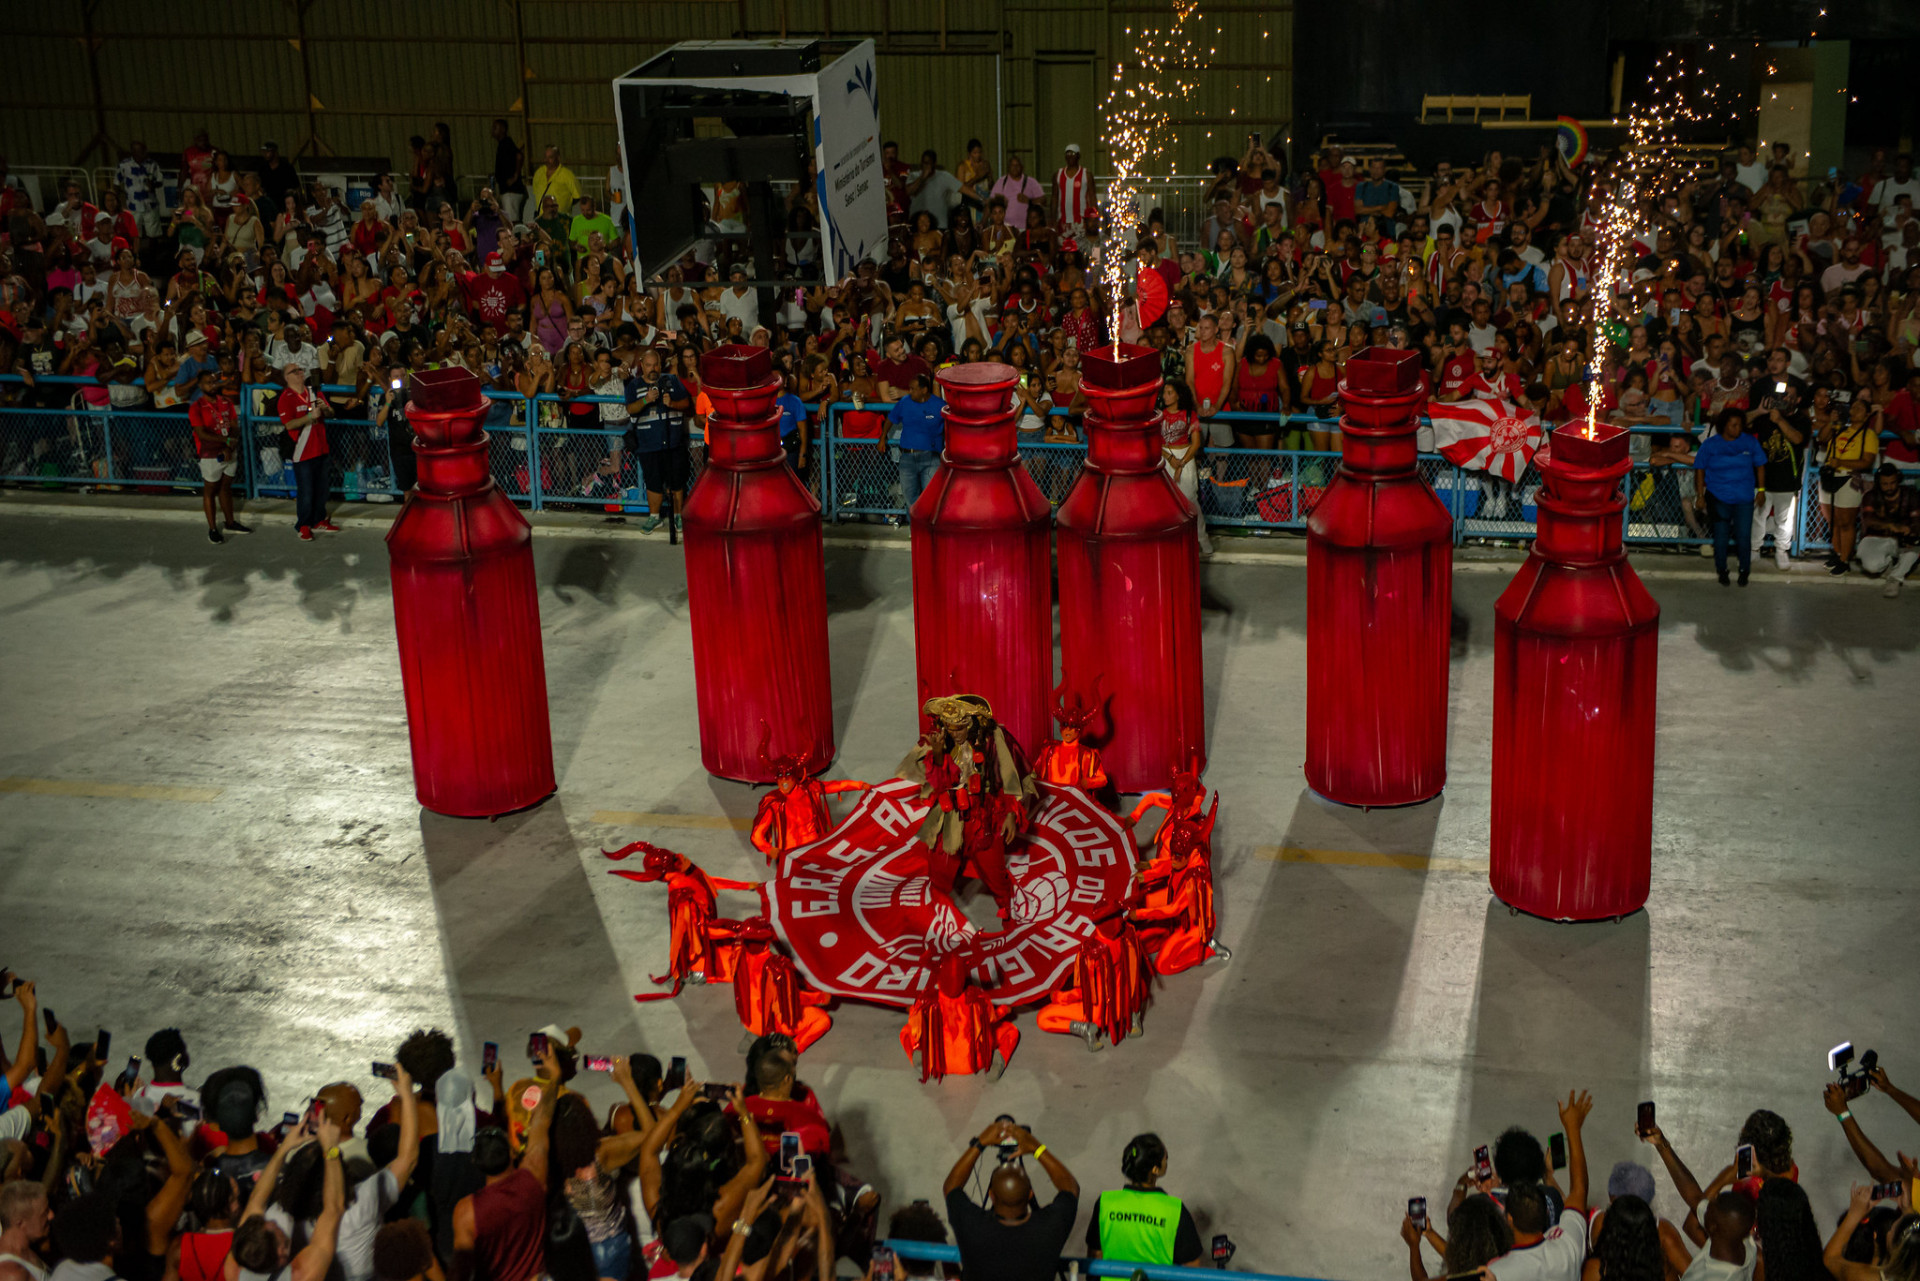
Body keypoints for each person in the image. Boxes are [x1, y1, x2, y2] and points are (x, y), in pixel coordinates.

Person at [941, 1120, 1077, 1281]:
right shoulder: (1050, 1227)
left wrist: (980, 1143)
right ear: (1030, 1194)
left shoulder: (971, 1225)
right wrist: (1036, 1147)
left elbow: (952, 1186)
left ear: (991, 1195)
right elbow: (1070, 1187)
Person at [229, 1119, 346, 1281]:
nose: (276, 1223)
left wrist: (284, 1147)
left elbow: (256, 1201)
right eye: (278, 1230)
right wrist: (331, 1148)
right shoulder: (304, 1274)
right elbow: (334, 1208)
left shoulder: (235, 1267)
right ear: (281, 1252)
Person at [1084, 1134, 1203, 1268]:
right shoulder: (1174, 1210)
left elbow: (1095, 1256)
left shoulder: (1105, 1202)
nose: (1166, 1162)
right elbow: (1192, 1267)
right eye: (1165, 1158)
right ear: (1155, 1169)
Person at [1692, 409, 1768, 586]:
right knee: (1721, 536)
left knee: (1743, 536)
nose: (1738, 428)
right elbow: (1700, 469)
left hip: (1744, 498)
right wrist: (1700, 495)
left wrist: (1762, 490)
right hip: (1718, 497)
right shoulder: (1711, 444)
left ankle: (1744, 570)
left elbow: (1761, 465)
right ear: (1724, 426)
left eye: (1740, 424)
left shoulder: (1749, 442)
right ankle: (1722, 570)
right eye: (1734, 425)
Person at [622, 346, 693, 533]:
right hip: (648, 444)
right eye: (648, 365)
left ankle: (678, 516)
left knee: (676, 481)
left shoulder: (672, 380)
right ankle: (654, 517)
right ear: (642, 366)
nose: (652, 369)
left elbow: (686, 403)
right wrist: (646, 400)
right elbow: (630, 409)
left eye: (655, 365)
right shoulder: (634, 385)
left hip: (673, 442)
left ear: (660, 365)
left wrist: (673, 403)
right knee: (653, 481)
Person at [190, 362, 250, 543]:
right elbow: (201, 433)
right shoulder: (197, 407)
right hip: (210, 454)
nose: (212, 385)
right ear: (200, 386)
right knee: (210, 490)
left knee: (225, 487)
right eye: (208, 383)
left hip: (229, 450)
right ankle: (212, 528)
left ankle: (230, 522)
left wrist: (229, 446)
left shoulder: (226, 402)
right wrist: (226, 442)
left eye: (214, 381)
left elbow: (234, 427)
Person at [278, 363, 336, 540]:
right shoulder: (286, 398)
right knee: (306, 490)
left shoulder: (314, 393)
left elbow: (331, 412)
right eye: (293, 371)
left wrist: (325, 409)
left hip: (321, 447)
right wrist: (310, 417)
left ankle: (319, 519)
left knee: (322, 488)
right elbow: (289, 424)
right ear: (286, 377)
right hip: (302, 451)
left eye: (300, 370)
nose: (299, 373)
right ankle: (303, 524)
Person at [1856, 464, 1920, 597]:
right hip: (1876, 538)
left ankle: (1895, 578)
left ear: (1898, 481)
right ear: (1879, 483)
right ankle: (1888, 563)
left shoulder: (1910, 494)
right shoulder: (1870, 496)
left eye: (1892, 483)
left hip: (1902, 539)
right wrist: (1891, 526)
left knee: (1915, 550)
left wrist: (1912, 532)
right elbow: (1868, 520)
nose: (1889, 487)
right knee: (1871, 566)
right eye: (1885, 484)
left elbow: (1916, 520)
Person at [889, 373, 944, 516]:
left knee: (930, 496)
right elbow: (891, 418)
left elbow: (950, 426)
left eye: (913, 389)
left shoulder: (939, 405)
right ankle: (914, 528)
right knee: (910, 498)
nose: (910, 391)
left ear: (924, 390)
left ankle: (928, 528)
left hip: (930, 458)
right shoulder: (904, 402)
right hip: (907, 457)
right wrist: (882, 438)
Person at [0, 1182, 52, 1281]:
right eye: (44, 1213)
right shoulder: (11, 1274)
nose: (51, 1215)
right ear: (20, 1224)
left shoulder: (28, 1251)